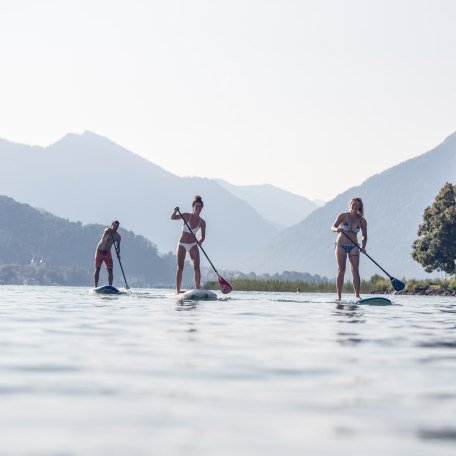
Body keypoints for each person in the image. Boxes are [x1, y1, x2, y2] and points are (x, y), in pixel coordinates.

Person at [330, 197, 367, 301]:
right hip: (340, 244)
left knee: (355, 271)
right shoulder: (343, 216)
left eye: (357, 205)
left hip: (354, 246)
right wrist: (337, 229)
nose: (354, 207)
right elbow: (332, 227)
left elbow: (364, 236)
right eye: (353, 204)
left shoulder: (362, 220)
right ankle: (339, 296)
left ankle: (357, 295)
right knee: (341, 270)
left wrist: (363, 247)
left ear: (360, 207)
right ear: (350, 205)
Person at [171, 195, 206, 293]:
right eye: (196, 206)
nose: (198, 208)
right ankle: (177, 291)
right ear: (193, 207)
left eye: (200, 206)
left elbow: (203, 236)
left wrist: (200, 241)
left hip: (193, 245)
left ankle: (197, 290)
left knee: (197, 267)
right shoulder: (186, 216)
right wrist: (175, 210)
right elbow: (173, 217)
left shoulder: (202, 222)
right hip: (182, 244)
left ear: (201, 208)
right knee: (180, 268)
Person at [94, 220, 121, 287]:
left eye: (116, 226)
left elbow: (118, 247)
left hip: (107, 253)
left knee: (110, 271)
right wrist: (110, 229)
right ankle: (95, 286)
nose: (115, 227)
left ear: (118, 227)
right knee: (97, 269)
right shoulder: (107, 231)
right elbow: (107, 229)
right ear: (112, 225)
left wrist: (118, 254)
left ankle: (110, 287)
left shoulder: (118, 237)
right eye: (114, 225)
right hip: (99, 251)